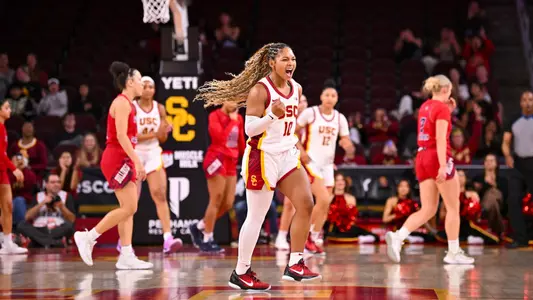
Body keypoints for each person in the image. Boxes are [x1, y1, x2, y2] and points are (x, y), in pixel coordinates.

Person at [195, 42, 321, 290]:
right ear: (272, 63)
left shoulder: (296, 88)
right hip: (261, 156)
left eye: (293, 59)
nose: (291, 63)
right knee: (257, 216)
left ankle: (295, 263)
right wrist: (271, 115)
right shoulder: (259, 91)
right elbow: (250, 130)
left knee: (306, 203)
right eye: (285, 59)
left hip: (286, 153)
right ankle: (241, 271)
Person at [385, 75, 474, 264]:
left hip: (422, 156)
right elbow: (441, 139)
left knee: (429, 208)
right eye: (450, 90)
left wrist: (448, 111)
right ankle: (453, 252)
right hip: (436, 156)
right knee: (452, 207)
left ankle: (398, 237)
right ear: (445, 89)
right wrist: (443, 165)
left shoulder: (426, 106)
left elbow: (432, 127)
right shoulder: (441, 108)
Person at [73, 61, 152, 270]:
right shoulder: (122, 103)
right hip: (117, 158)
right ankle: (88, 237)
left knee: (128, 209)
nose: (142, 83)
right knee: (130, 207)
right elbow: (120, 136)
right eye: (139, 79)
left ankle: (126, 254)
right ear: (129, 82)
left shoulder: (129, 103)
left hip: (124, 158)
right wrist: (137, 161)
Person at [121, 76, 183, 254]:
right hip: (135, 153)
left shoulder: (160, 108)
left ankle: (167, 238)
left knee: (160, 195)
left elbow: (162, 138)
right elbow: (129, 136)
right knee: (132, 201)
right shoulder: (132, 107)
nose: (147, 89)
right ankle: (123, 241)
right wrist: (155, 133)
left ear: (154, 90)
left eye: (151, 86)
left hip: (154, 153)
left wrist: (164, 131)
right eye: (144, 86)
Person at [295, 82, 355, 255]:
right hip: (310, 162)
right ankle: (306, 238)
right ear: (321, 96)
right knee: (322, 198)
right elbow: (291, 132)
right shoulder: (310, 113)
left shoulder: (339, 118)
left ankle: (313, 238)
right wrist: (301, 151)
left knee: (325, 204)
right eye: (327, 95)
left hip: (328, 165)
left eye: (333, 96)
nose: (330, 98)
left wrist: (348, 147)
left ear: (337, 99)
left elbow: (345, 140)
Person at [189, 99, 245, 252]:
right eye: (231, 100)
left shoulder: (239, 118)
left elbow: (240, 144)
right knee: (216, 198)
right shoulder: (214, 116)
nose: (234, 104)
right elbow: (220, 139)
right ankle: (207, 238)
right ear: (223, 101)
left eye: (237, 102)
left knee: (228, 203)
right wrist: (233, 123)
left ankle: (199, 226)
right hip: (216, 159)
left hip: (231, 162)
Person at [275, 94, 307, 250]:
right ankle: (281, 236)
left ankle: (310, 238)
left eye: (305, 101)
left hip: (310, 165)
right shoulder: (288, 120)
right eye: (300, 101)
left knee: (311, 203)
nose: (302, 104)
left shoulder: (311, 121)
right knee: (289, 203)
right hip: (291, 161)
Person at [501, 90, 533, 248]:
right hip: (519, 164)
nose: (528, 102)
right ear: (520, 102)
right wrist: (507, 155)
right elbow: (506, 142)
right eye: (525, 99)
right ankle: (520, 238)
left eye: (531, 100)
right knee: (513, 199)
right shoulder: (513, 119)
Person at [0, 99, 27, 254]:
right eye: (6, 107)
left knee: (8, 206)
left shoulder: (3, 128)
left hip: (2, 171)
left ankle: (7, 243)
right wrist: (14, 169)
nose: (10, 110)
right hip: (4, 169)